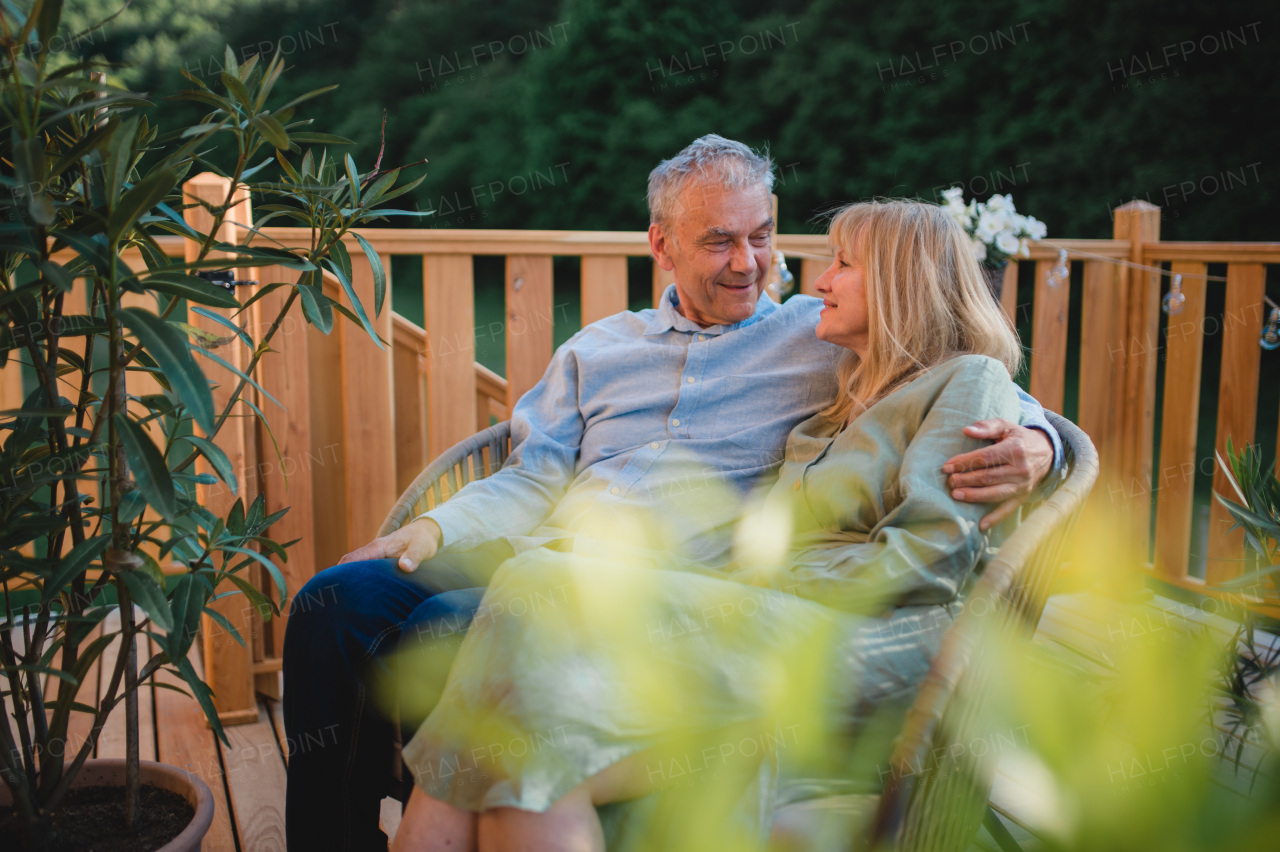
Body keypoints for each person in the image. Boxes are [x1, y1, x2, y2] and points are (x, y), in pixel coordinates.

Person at [282, 136, 1060, 852]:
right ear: (662, 246)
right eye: (720, 240)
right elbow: (529, 474)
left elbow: (958, 371)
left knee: (434, 634)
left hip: (655, 587)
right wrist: (435, 531)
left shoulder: (816, 336)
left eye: (761, 236)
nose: (749, 263)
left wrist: (1042, 445)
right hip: (533, 545)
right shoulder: (600, 347)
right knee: (333, 602)